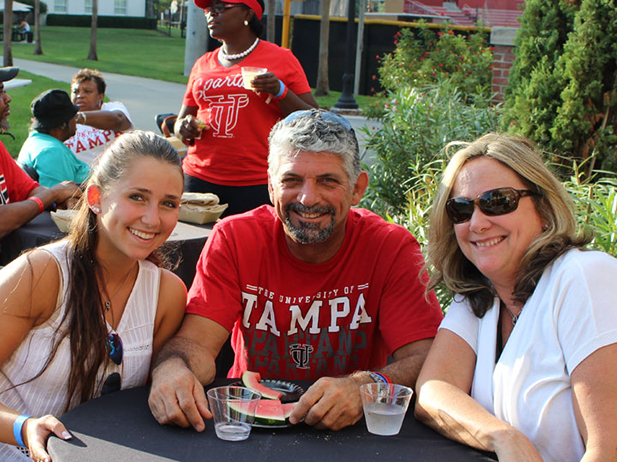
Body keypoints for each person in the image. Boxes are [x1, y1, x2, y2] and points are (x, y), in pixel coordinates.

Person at [148, 109, 443, 432]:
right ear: (271, 186)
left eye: (328, 181)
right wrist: (172, 369)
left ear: (357, 188)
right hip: (250, 425)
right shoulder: (234, 238)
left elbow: (428, 358)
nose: (307, 198)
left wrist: (365, 386)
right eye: (291, 180)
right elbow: (197, 344)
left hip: (352, 430)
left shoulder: (391, 247)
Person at [414, 133, 617, 462]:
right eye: (461, 209)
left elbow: (607, 451)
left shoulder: (585, 277)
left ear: (543, 206)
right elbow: (434, 388)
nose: (477, 223)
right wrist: (502, 437)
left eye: (498, 201)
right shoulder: (482, 295)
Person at [0, 131, 187, 462]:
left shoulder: (167, 293)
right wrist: (23, 428)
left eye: (168, 204)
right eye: (138, 197)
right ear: (97, 197)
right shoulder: (41, 273)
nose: (153, 218)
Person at [175, 0, 318, 217]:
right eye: (208, 9)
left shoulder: (281, 58)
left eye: (221, 7)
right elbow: (180, 122)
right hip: (199, 178)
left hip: (255, 181)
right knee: (195, 248)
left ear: (248, 14)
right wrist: (184, 128)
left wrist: (280, 91)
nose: (211, 13)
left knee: (251, 248)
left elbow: (314, 118)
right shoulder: (202, 63)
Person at [0, 67, 81, 241]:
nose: (8, 98)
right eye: (0, 92)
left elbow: (29, 190)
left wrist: (63, 196)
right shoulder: (50, 151)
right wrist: (52, 194)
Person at [18, 89, 90, 188]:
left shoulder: (35, 140)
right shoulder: (51, 152)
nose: (76, 121)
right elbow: (59, 198)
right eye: (74, 116)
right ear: (63, 124)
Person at [64, 68, 133, 166]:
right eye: (75, 92)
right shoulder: (63, 123)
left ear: (100, 96)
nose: (80, 96)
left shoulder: (112, 108)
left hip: (119, 173)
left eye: (87, 91)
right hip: (82, 178)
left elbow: (119, 121)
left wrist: (77, 118)